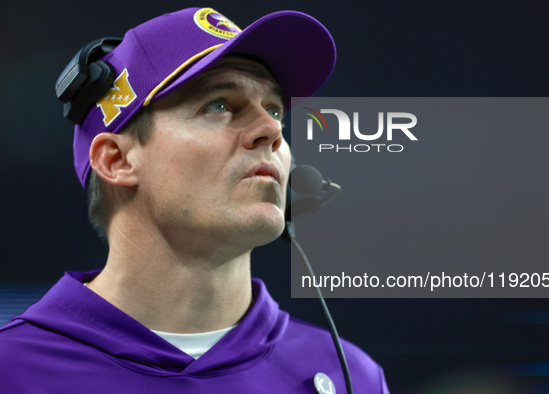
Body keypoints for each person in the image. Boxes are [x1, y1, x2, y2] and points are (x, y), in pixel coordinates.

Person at [0, 7, 389, 393]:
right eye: (218, 105)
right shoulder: (12, 368)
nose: (271, 130)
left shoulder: (350, 375)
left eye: (273, 109)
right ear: (116, 160)